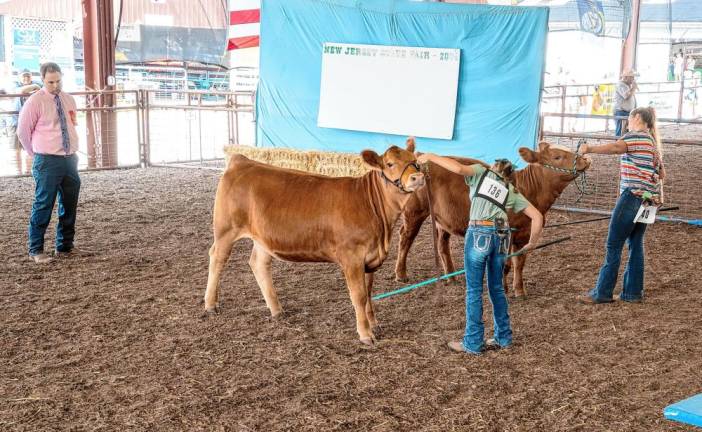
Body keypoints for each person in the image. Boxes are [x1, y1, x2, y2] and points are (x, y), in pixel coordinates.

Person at [415, 154, 543, 355]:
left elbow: (457, 169)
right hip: (502, 234)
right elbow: (537, 216)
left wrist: (430, 156)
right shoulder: (510, 190)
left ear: (494, 167)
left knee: (474, 290)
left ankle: (473, 342)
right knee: (497, 288)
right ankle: (504, 337)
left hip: (479, 231)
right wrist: (532, 243)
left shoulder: (481, 172)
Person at [578, 107, 665, 304]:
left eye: (629, 118)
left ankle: (602, 292)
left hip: (632, 196)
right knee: (636, 244)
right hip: (648, 200)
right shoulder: (653, 143)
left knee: (613, 244)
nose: (627, 122)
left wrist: (589, 148)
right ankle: (633, 292)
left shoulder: (634, 136)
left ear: (636, 118)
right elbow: (662, 174)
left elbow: (617, 148)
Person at [17, 62, 81, 264]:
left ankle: (65, 245)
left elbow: (72, 122)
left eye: (58, 80)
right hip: (47, 159)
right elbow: (23, 132)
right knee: (43, 203)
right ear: (43, 80)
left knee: (69, 203)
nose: (55, 85)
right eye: (51, 82)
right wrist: (35, 153)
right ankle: (36, 249)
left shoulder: (69, 99)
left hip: (69, 159)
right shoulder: (35, 102)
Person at [8, 70, 41, 174]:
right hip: (15, 120)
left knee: (31, 147)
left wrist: (34, 87)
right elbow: (19, 91)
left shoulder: (38, 83)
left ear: (31, 77)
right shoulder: (15, 84)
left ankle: (27, 171)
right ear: (19, 77)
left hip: (32, 121)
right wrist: (33, 86)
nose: (26, 78)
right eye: (24, 76)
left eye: (28, 76)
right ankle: (19, 172)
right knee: (16, 147)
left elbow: (41, 89)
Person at [614, 69, 638, 137]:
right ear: (626, 77)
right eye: (631, 77)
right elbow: (626, 96)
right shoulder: (620, 85)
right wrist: (633, 88)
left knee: (627, 131)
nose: (633, 79)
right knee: (621, 131)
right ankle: (618, 144)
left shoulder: (627, 86)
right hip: (621, 111)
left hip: (628, 112)